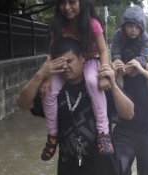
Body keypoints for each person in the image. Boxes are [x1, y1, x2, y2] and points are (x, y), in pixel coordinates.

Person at [17, 37, 134, 175]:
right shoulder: (51, 90)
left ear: (82, 58)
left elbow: (129, 113)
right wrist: (40, 75)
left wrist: (113, 84)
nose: (66, 68)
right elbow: (22, 103)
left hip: (102, 173)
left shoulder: (99, 85)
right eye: (60, 64)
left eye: (69, 61)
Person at [39, 0, 113, 161]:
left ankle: (103, 133)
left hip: (91, 60)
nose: (67, 7)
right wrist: (46, 77)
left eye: (72, 2)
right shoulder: (57, 25)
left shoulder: (93, 24)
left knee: (93, 83)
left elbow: (103, 50)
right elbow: (51, 52)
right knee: (49, 91)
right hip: (65, 62)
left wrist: (104, 72)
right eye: (62, 3)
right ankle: (52, 135)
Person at [111, 6, 148, 121]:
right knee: (118, 70)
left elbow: (144, 55)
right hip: (124, 59)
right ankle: (119, 104)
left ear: (141, 28)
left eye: (137, 27)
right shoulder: (118, 34)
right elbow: (115, 51)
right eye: (130, 26)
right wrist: (117, 61)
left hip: (141, 60)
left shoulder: (145, 37)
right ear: (124, 26)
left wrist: (136, 64)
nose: (133, 30)